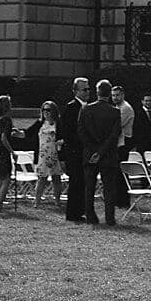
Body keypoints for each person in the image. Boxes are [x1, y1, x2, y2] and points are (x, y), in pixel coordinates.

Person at [78, 80, 124, 225]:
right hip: (108, 154)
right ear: (109, 93)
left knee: (89, 187)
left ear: (97, 92)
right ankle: (110, 218)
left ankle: (90, 216)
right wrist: (101, 151)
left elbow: (81, 132)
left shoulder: (86, 109)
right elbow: (114, 135)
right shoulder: (115, 111)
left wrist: (93, 151)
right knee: (109, 188)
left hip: (90, 153)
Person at [61, 78, 90, 224]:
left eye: (88, 89)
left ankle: (80, 210)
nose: (87, 92)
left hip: (83, 151)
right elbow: (67, 132)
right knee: (76, 183)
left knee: (82, 182)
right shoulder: (72, 107)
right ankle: (73, 213)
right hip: (74, 152)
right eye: (84, 89)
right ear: (76, 91)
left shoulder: (87, 106)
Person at [34, 99, 65, 211]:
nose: (45, 112)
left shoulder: (59, 124)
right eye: (44, 110)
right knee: (41, 178)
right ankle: (37, 202)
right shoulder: (39, 123)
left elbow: (65, 136)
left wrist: (61, 142)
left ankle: (57, 201)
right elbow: (28, 134)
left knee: (56, 178)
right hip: (43, 155)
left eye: (48, 110)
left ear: (54, 111)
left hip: (55, 154)